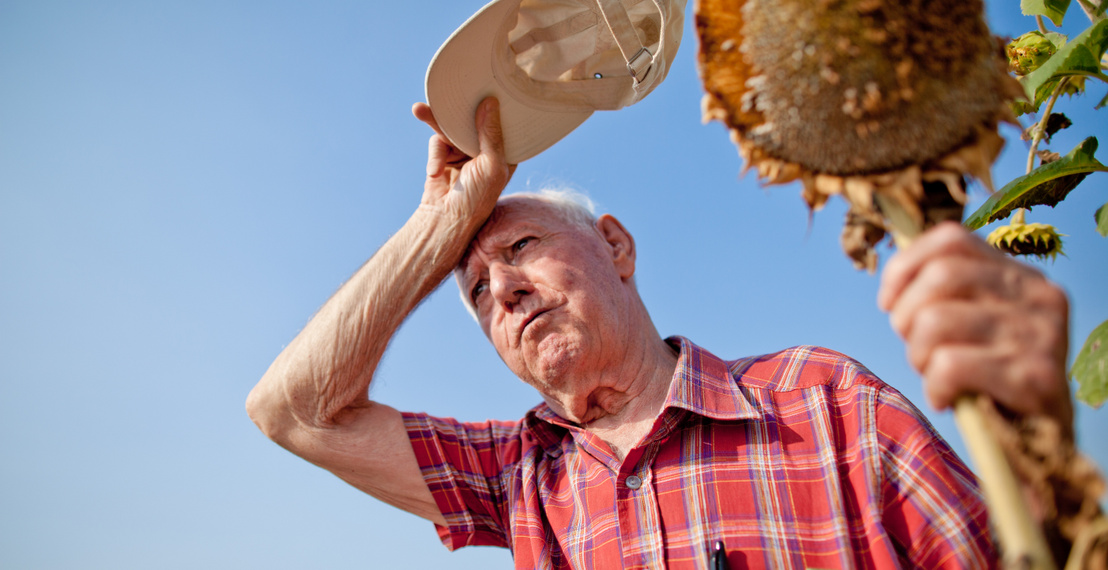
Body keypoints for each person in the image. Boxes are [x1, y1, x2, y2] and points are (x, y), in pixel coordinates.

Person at [246, 97, 1074, 569]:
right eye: (475, 290)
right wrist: (438, 224)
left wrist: (1036, 435)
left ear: (615, 246)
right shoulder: (518, 475)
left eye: (523, 247)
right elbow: (294, 411)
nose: (503, 287)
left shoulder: (823, 400)